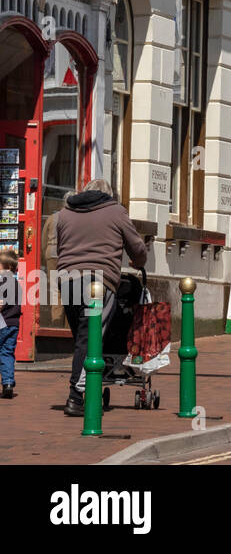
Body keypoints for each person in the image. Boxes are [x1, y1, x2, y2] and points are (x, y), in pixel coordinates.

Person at [54, 179, 148, 417]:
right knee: (90, 340)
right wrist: (139, 262)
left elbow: (60, 248)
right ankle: (76, 397)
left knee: (81, 340)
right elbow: (137, 248)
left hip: (68, 281)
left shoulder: (64, 214)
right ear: (108, 195)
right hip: (98, 282)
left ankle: (88, 392)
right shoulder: (115, 211)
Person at [0, 248, 20, 399]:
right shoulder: (16, 283)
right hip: (13, 324)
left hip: (2, 323)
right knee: (7, 353)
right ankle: (7, 383)